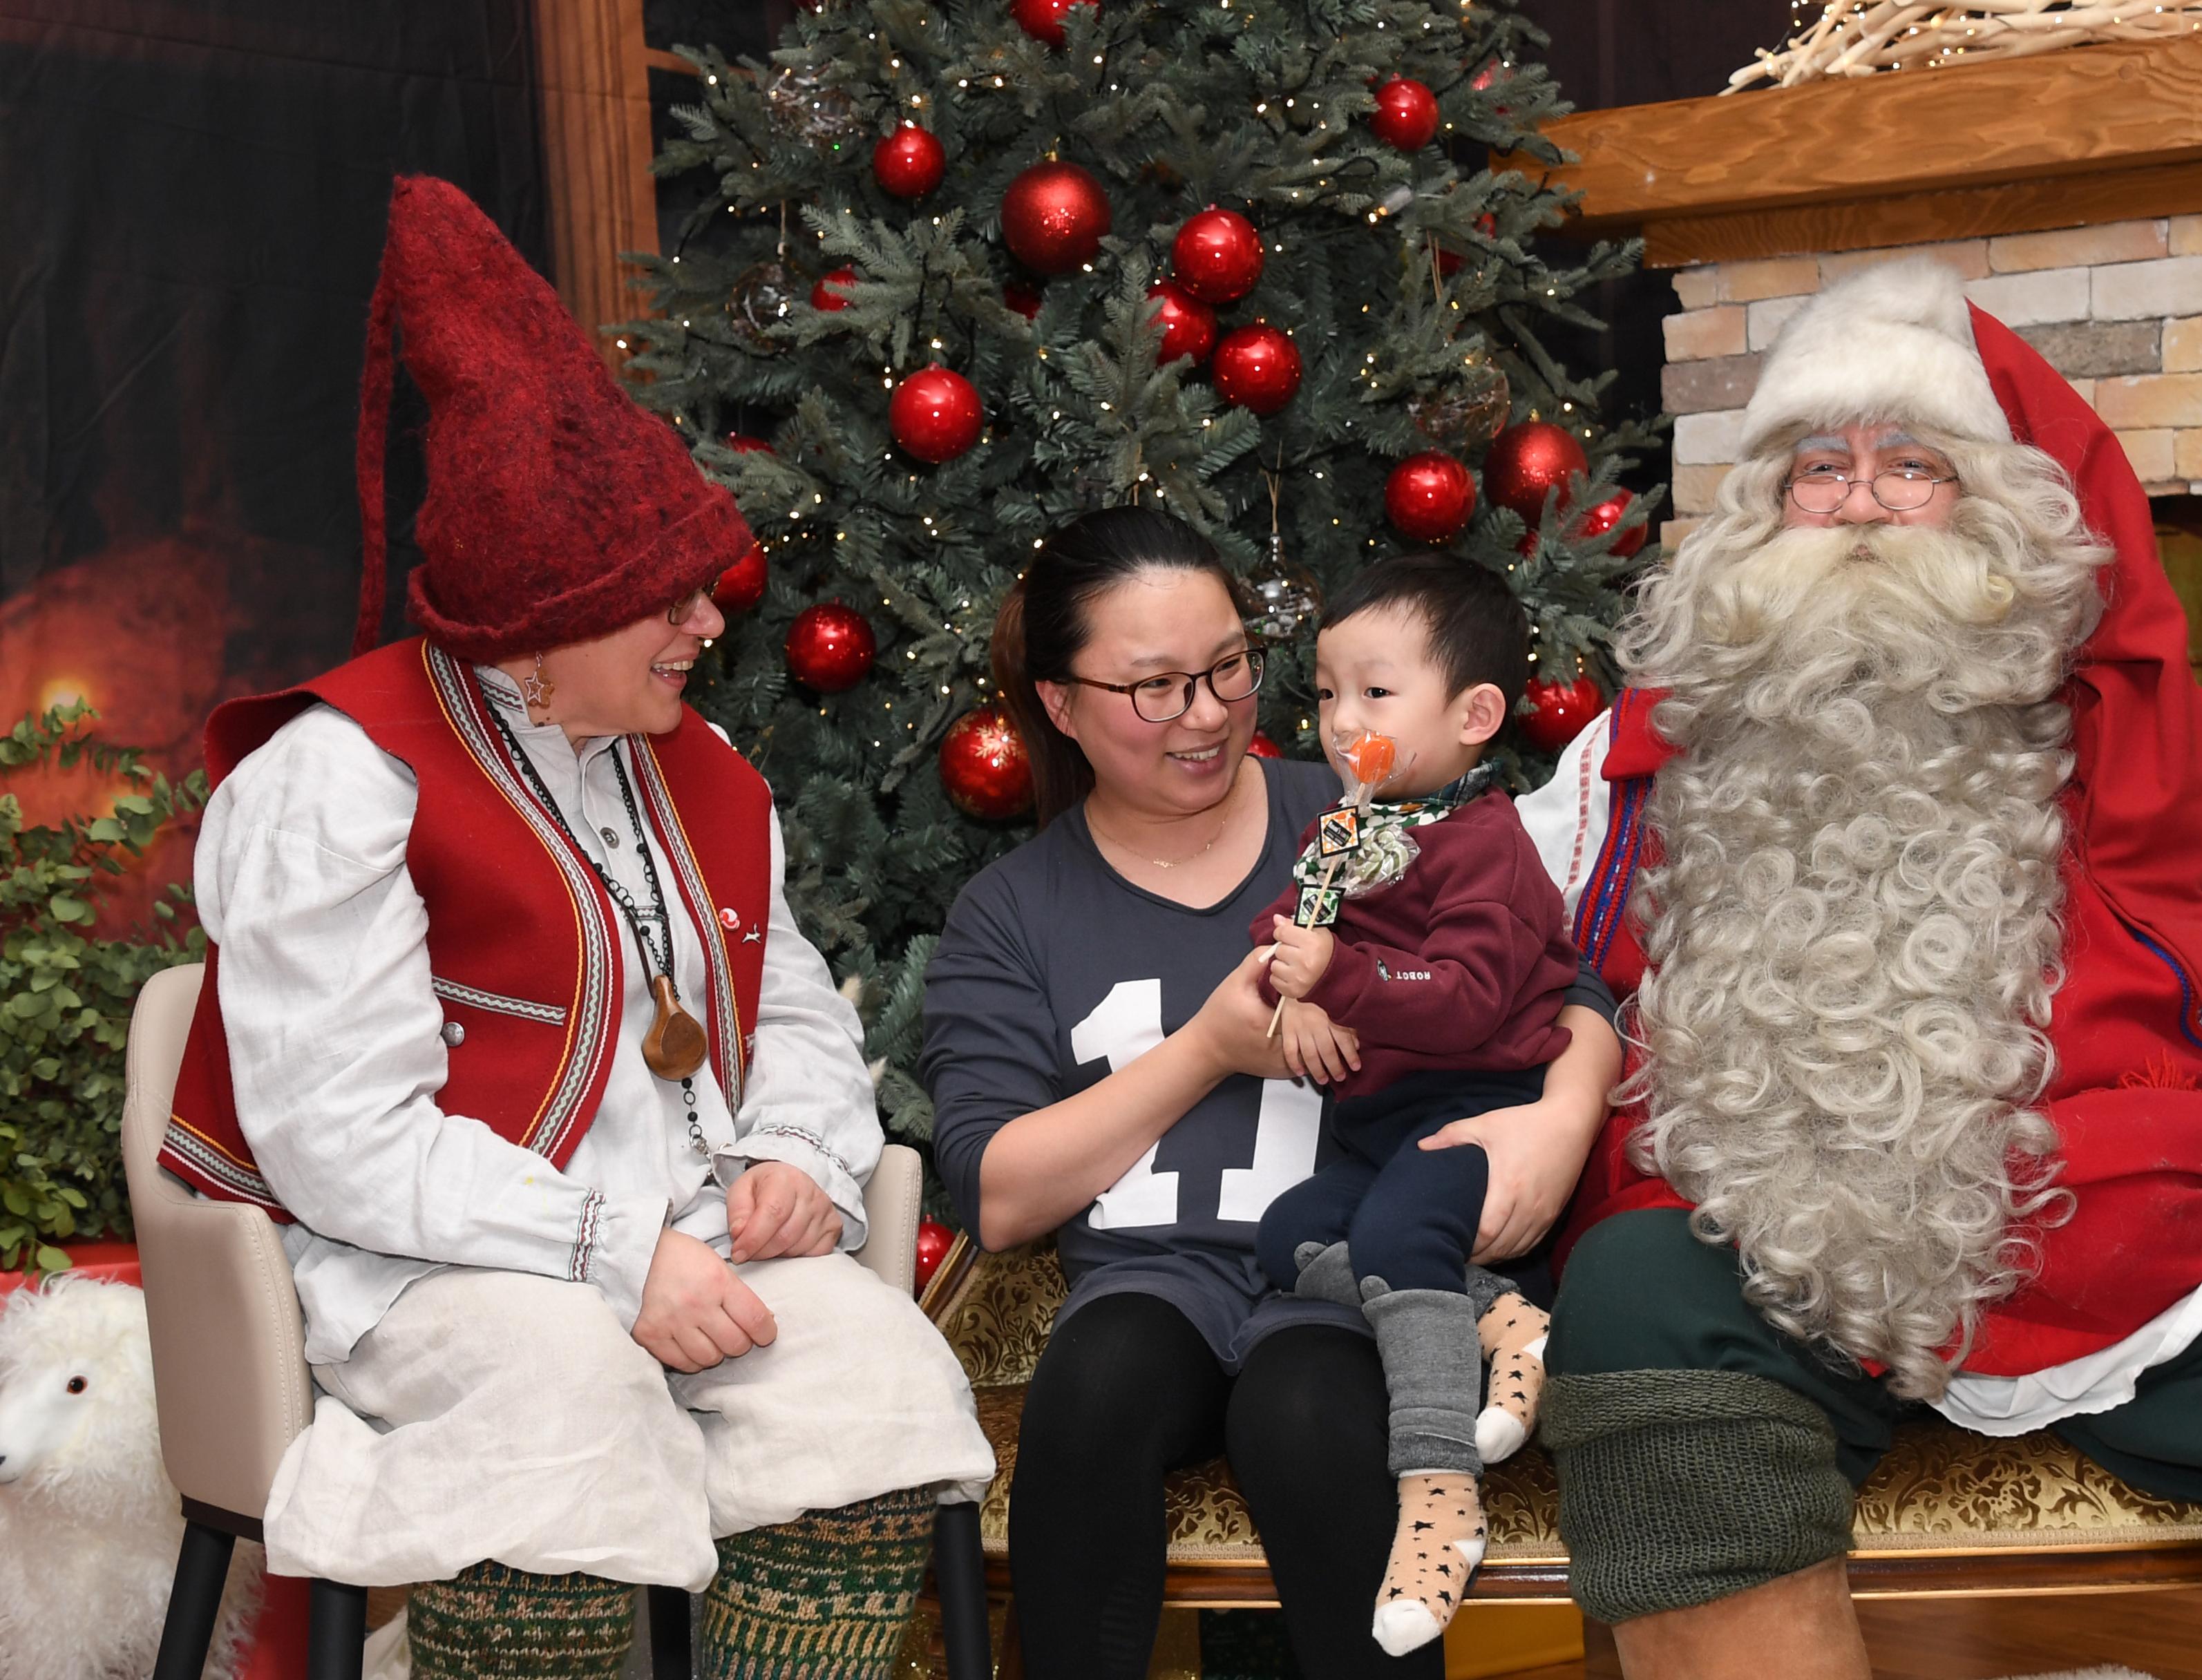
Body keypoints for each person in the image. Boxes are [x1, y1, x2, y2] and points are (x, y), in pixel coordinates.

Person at [1516, 257, 2202, 1680]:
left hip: (2123, 1259)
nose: (1858, 500)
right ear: (1761, 510)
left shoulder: (2157, 753)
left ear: (2003, 511)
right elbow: (1467, 948)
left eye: (1910, 462)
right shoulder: (1631, 760)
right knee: (1634, 1292)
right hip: (1773, 1257)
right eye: (1819, 466)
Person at [158, 175, 995, 1680]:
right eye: (666, 601)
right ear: (542, 622)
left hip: (679, 1242)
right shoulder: (336, 786)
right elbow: (342, 1139)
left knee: (876, 1378)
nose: (710, 625)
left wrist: (800, 1157)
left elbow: (789, 1005)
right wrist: (613, 1254)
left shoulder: (706, 777)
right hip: (426, 1266)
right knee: (566, 1402)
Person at [919, 508, 1621, 1679]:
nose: (1205, 715)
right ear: (1059, 703)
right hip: (1157, 1279)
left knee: (1308, 1419)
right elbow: (997, 1198)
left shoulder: (1365, 812)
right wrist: (1207, 1048)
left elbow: (1560, 980)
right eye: (1154, 688)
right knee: (1088, 1400)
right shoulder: (1012, 912)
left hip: (1349, 1269)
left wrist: (1566, 1111)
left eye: (1230, 668)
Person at [1248, 553, 1576, 1655]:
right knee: (1289, 1234)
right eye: (1329, 692)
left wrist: (1334, 979)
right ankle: (1500, 1318)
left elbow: (1469, 998)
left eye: (1376, 694)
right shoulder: (1348, 826)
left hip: (1475, 1109)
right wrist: (1286, 995)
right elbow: (1287, 931)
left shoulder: (1487, 845)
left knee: (1392, 1239)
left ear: (1476, 712)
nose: (1343, 722)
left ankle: (1440, 1502)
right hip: (1377, 1126)